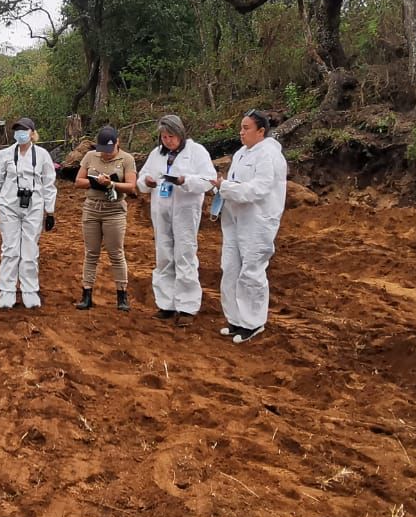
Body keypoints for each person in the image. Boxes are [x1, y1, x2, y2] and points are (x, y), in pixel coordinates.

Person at [213, 109, 288, 344]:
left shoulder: (269, 155)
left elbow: (259, 188)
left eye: (246, 128)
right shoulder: (241, 154)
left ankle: (253, 322)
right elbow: (236, 183)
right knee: (230, 268)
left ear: (261, 131)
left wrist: (226, 187)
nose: (241, 132)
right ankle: (235, 319)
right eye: (241, 128)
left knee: (251, 270)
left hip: (258, 221)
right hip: (235, 219)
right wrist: (222, 187)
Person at [137, 115, 217, 326]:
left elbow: (208, 180)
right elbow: (142, 177)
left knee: (184, 254)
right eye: (164, 137)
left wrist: (184, 180)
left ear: (180, 134)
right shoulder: (156, 154)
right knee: (164, 254)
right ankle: (166, 303)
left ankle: (187, 306)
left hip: (185, 210)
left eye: (171, 137)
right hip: (161, 209)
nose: (167, 141)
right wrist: (147, 181)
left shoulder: (197, 152)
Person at [0, 116, 58, 309]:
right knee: (10, 249)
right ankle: (7, 290)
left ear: (32, 133)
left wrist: (50, 211)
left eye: (24, 130)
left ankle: (30, 290)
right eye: (17, 130)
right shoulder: (3, 155)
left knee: (29, 249)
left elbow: (49, 183)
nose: (20, 133)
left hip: (34, 206)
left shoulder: (42, 155)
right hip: (8, 205)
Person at [73, 125, 139, 310]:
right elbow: (78, 181)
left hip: (114, 210)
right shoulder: (90, 156)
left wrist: (112, 184)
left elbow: (131, 186)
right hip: (92, 208)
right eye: (103, 150)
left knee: (116, 253)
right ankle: (86, 294)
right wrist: (95, 182)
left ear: (117, 143)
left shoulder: (127, 159)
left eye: (109, 150)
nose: (106, 154)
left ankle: (122, 295)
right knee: (91, 252)